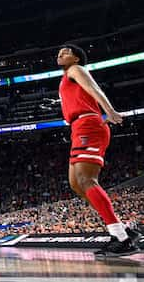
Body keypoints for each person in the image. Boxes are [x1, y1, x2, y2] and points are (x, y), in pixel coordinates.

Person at [56, 44, 142, 257]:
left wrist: (109, 111)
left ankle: (122, 239)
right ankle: (124, 231)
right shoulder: (67, 77)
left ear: (77, 59)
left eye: (67, 52)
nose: (61, 53)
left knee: (87, 181)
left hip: (89, 124)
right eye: (60, 52)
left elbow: (95, 89)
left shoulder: (76, 70)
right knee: (77, 185)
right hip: (78, 127)